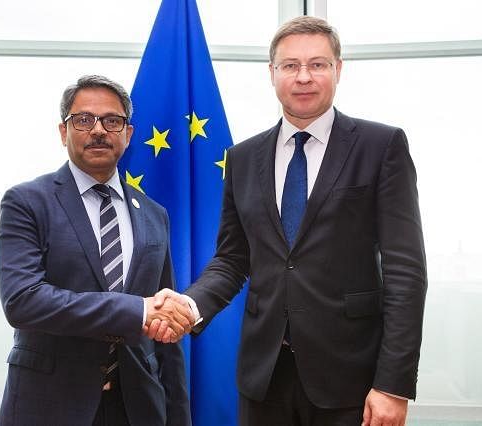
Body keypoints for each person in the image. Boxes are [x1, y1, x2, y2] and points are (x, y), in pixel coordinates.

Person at [149, 16, 427, 426]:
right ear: (272, 72)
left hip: (351, 380)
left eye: (317, 64)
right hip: (263, 380)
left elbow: (406, 272)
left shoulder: (381, 146)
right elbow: (232, 259)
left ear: (338, 69)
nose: (304, 77)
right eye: (290, 65)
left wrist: (393, 385)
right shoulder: (242, 159)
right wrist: (189, 306)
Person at [0, 75, 193, 426]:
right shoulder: (27, 202)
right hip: (50, 405)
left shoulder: (154, 214)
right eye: (84, 120)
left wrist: (178, 417)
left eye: (112, 121)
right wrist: (136, 311)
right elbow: (23, 301)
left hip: (138, 408)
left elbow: (165, 334)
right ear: (63, 132)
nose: (98, 130)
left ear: (128, 134)